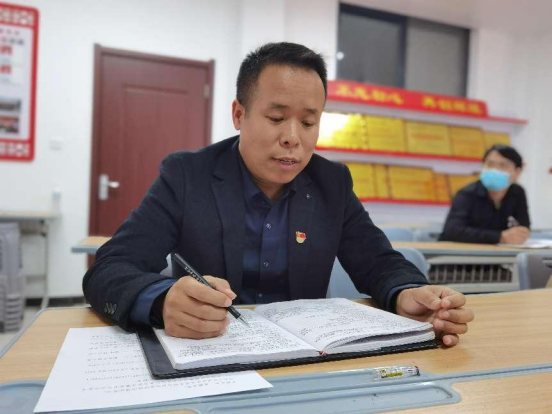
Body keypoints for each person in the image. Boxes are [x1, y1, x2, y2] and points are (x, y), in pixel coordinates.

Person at [83, 42, 473, 347]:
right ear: (239, 114)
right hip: (212, 353)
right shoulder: (188, 176)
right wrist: (161, 301)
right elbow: (109, 269)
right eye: (276, 118)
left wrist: (408, 293)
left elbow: (378, 262)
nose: (292, 137)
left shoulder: (332, 182)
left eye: (308, 122)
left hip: (304, 360)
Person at [440, 144, 530, 244]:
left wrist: (519, 235)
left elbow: (523, 227)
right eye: (490, 164)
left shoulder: (517, 193)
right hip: (462, 251)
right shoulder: (467, 194)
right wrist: (499, 237)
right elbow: (452, 231)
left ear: (517, 171)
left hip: (501, 251)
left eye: (503, 165)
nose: (495, 170)